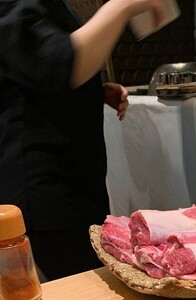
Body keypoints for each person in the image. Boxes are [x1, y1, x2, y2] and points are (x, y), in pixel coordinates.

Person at [0, 0, 166, 280]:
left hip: (71, 185)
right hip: (44, 192)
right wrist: (122, 5)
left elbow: (34, 74)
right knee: (79, 292)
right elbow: (59, 64)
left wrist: (91, 92)